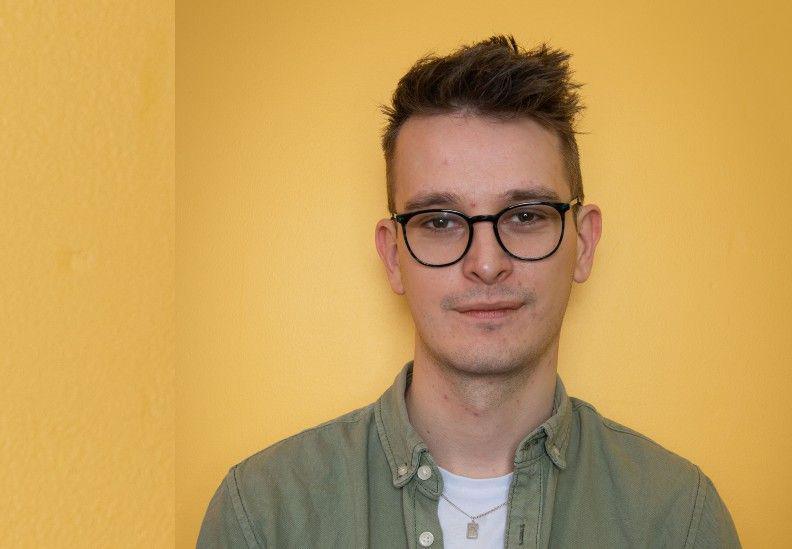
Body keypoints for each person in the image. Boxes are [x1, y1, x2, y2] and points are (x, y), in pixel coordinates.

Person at [197, 35, 741, 548]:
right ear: (392, 256)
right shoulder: (263, 515)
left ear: (584, 242)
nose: (486, 264)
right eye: (439, 221)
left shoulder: (679, 517)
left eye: (526, 215)